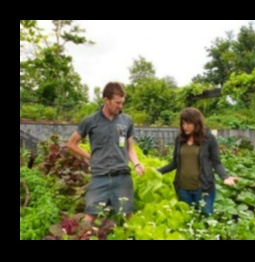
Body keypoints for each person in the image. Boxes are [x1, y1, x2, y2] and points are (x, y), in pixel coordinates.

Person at [67, 82, 144, 222]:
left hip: (122, 176)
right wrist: (90, 157)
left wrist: (137, 164)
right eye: (117, 103)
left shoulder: (127, 121)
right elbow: (71, 144)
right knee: (90, 216)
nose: (120, 106)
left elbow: (130, 148)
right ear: (106, 100)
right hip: (99, 176)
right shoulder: (90, 121)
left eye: (122, 103)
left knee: (128, 215)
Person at [157, 107, 238, 215]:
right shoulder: (180, 139)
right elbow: (175, 163)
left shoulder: (208, 139)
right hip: (183, 189)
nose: (185, 127)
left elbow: (216, 162)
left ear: (197, 123)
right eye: (183, 123)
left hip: (203, 189)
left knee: (204, 220)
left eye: (188, 123)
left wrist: (225, 177)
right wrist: (156, 171)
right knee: (187, 219)